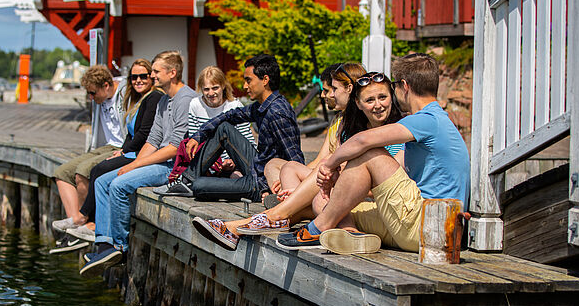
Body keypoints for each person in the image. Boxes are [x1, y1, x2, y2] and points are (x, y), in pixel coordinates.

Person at [192, 64, 404, 250]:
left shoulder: (399, 131)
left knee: (316, 193)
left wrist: (320, 185)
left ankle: (256, 221)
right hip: (339, 197)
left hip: (367, 203)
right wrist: (303, 189)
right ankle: (249, 224)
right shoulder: (349, 126)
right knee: (294, 173)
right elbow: (324, 164)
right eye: (370, 99)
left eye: (382, 97)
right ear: (359, 102)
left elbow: (392, 183)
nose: (377, 105)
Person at [277, 53, 469, 254]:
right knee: (324, 202)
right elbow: (395, 170)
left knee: (370, 152)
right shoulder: (437, 121)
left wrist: (328, 165)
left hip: (429, 225)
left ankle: (317, 230)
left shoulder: (427, 120)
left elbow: (363, 140)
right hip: (422, 228)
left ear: (404, 86)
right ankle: (351, 234)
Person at [78, 50, 197, 275]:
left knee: (119, 185)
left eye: (155, 71)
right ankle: (104, 244)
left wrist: (134, 166)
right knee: (102, 181)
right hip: (159, 161)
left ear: (172, 73)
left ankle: (119, 247)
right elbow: (152, 140)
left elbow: (174, 148)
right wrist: (132, 163)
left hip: (175, 167)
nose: (151, 76)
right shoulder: (164, 100)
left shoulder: (186, 100)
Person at [155, 54, 303, 202]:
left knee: (199, 186)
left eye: (248, 80)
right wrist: (198, 135)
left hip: (261, 183)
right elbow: (230, 115)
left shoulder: (278, 112)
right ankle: (186, 180)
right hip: (257, 166)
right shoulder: (261, 106)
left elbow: (295, 159)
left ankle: (191, 182)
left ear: (265, 80)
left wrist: (275, 189)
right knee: (224, 128)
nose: (245, 86)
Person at [56, 59, 164, 248]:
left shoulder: (153, 98)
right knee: (95, 172)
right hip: (131, 150)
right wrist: (124, 149)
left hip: (142, 154)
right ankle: (86, 223)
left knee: (99, 171)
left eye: (143, 76)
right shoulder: (139, 99)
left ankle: (91, 223)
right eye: (134, 77)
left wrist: (124, 152)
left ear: (152, 77)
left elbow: (145, 133)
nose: (138, 80)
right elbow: (132, 134)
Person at [49, 65, 124, 251]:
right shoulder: (100, 99)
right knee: (61, 172)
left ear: (107, 86)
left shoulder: (124, 94)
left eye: (93, 93)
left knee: (83, 171)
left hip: (122, 147)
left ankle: (89, 223)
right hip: (107, 145)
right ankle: (76, 222)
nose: (91, 98)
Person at [153, 65, 255, 193]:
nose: (211, 93)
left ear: (223, 86)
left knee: (236, 176)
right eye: (206, 89)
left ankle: (187, 181)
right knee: (198, 185)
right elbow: (195, 143)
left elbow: (248, 142)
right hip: (207, 164)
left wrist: (232, 162)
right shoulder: (195, 104)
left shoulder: (234, 106)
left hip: (233, 164)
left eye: (215, 88)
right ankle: (188, 182)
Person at [262, 63, 341, 206]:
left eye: (327, 90)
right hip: (322, 174)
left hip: (333, 179)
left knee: (290, 168)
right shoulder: (336, 120)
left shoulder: (352, 122)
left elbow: (328, 165)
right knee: (272, 164)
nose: (322, 95)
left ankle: (289, 202)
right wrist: (285, 178)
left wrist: (295, 174)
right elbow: (318, 160)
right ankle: (287, 194)